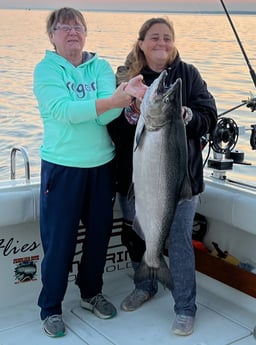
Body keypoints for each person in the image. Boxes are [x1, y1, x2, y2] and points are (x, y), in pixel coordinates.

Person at [33, 7, 146, 338]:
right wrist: (113, 100)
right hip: (62, 167)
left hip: (101, 167)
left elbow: (100, 117)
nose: (72, 32)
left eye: (77, 26)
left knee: (98, 238)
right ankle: (50, 307)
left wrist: (126, 102)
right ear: (51, 36)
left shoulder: (100, 67)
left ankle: (90, 293)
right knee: (60, 244)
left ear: (85, 32)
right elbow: (63, 111)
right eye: (63, 27)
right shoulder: (46, 70)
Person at [108, 17, 217, 336]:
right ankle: (146, 285)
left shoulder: (189, 75)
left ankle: (185, 308)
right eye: (154, 37)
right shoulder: (125, 76)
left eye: (167, 38)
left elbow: (208, 116)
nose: (162, 43)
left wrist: (188, 115)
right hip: (136, 180)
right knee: (139, 237)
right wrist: (130, 112)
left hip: (181, 184)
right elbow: (113, 130)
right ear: (141, 42)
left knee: (180, 243)